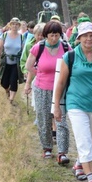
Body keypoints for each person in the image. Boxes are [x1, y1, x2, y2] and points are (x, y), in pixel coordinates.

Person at [53, 21, 92, 182]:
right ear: (78, 38)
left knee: (91, 140)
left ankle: (79, 164)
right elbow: (61, 83)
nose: (89, 38)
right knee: (84, 141)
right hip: (76, 104)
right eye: (85, 35)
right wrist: (56, 106)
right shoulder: (69, 57)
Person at [24, 21, 70, 163]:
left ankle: (62, 152)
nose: (54, 38)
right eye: (51, 35)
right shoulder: (39, 47)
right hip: (42, 88)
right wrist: (40, 74)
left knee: (61, 120)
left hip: (60, 89)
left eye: (57, 35)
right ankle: (47, 148)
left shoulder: (66, 47)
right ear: (45, 35)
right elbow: (28, 65)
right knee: (44, 119)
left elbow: (72, 64)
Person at [0, 17, 24, 103]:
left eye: (17, 24)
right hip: (5, 62)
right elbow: (0, 48)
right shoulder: (4, 35)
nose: (15, 26)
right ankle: (7, 90)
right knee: (4, 82)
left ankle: (11, 100)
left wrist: (24, 64)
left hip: (16, 63)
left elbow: (23, 51)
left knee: (13, 81)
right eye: (13, 24)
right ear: (10, 25)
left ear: (19, 26)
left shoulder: (21, 37)